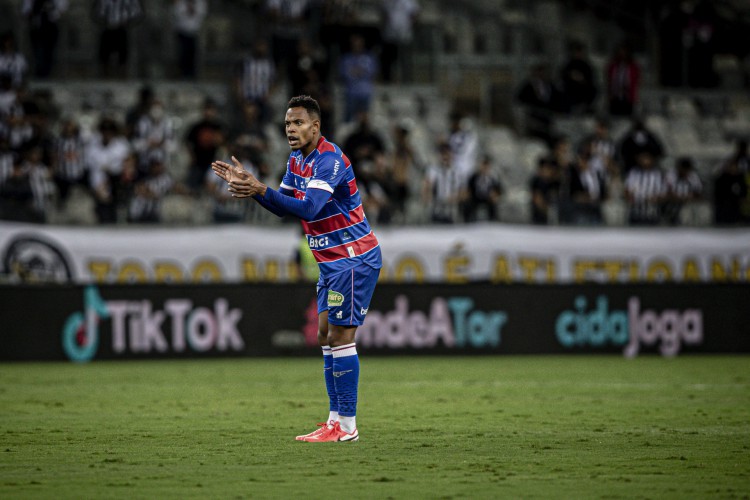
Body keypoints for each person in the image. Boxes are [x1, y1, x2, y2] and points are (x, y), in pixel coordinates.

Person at [211, 95, 381, 443]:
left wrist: (259, 187)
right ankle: (333, 421)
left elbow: (310, 208)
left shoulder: (329, 161)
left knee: (341, 337)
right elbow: (283, 205)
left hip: (353, 257)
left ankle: (347, 427)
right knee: (324, 335)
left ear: (315, 127)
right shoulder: (296, 160)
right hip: (331, 263)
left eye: (299, 123)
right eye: (288, 123)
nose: (291, 129)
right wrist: (254, 187)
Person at [22, 0, 68, 78]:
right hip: (37, 26)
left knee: (49, 53)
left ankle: (46, 74)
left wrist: (51, 11)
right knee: (38, 52)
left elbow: (62, 7)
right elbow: (26, 10)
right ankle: (39, 73)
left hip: (50, 25)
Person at [172, 0, 207, 79]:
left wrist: (192, 10)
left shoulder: (200, 2)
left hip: (194, 32)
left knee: (193, 53)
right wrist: (187, 10)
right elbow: (177, 13)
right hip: (182, 31)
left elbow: (202, 13)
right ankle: (183, 73)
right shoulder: (180, 2)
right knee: (183, 53)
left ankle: (192, 74)